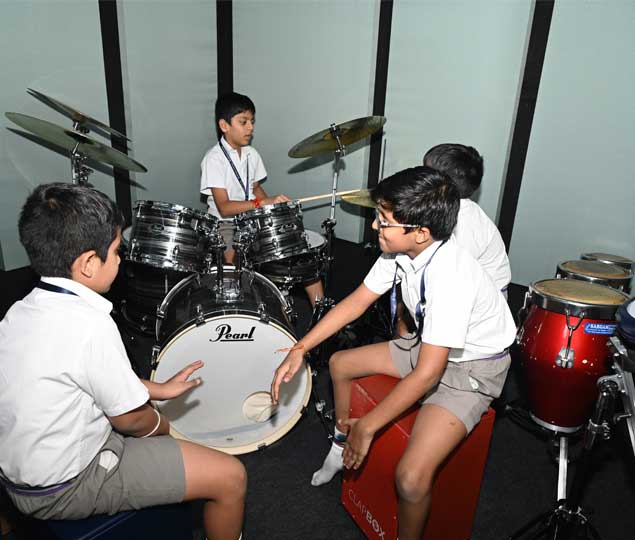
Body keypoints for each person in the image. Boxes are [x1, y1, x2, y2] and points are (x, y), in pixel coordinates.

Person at [271, 167, 516, 540]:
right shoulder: (402, 252)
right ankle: (339, 443)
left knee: (411, 478)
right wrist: (300, 347)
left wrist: (368, 427)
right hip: (431, 347)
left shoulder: (451, 276)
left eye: (384, 221)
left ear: (421, 232)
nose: (374, 226)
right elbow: (357, 302)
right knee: (339, 363)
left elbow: (429, 374)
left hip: (470, 369)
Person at [0, 183, 245, 540]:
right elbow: (131, 420)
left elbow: (78, 376)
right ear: (88, 264)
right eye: (116, 251)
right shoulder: (90, 324)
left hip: (20, 473)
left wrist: (158, 388)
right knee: (231, 476)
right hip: (66, 486)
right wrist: (167, 428)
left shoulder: (21, 311)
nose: (120, 259)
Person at [200, 91, 324, 306]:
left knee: (300, 253)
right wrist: (261, 203)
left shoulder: (252, 154)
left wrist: (272, 213)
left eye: (252, 121)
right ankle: (237, 306)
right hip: (224, 225)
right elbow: (224, 207)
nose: (250, 127)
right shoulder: (214, 159)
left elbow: (255, 187)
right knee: (233, 262)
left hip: (251, 221)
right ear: (224, 125)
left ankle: (322, 311)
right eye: (243, 122)